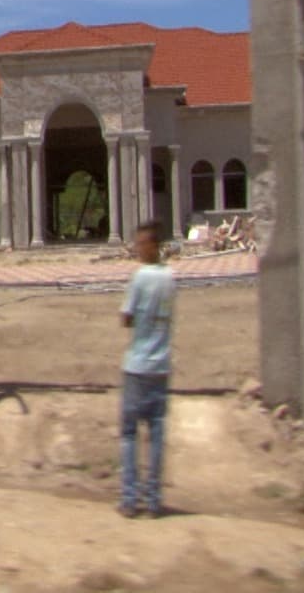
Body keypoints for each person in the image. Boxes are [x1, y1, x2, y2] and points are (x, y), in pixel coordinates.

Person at [118, 219, 175, 519]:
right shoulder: (170, 277)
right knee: (155, 435)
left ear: (152, 246)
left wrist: (135, 319)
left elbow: (125, 317)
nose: (137, 248)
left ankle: (129, 500)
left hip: (138, 365)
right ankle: (152, 502)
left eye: (141, 243)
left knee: (128, 434)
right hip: (162, 365)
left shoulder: (140, 278)